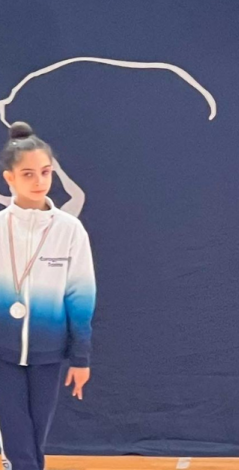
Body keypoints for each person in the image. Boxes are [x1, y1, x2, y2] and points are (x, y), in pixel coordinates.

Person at [0, 122, 97, 470]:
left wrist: (81, 358)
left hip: (48, 353)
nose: (39, 181)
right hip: (2, 353)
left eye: (45, 172)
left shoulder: (69, 230)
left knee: (34, 438)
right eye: (28, 174)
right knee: (18, 442)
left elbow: (80, 298)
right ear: (10, 178)